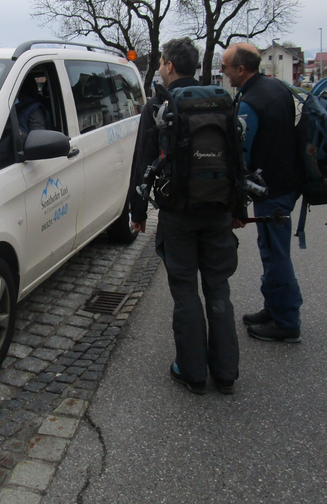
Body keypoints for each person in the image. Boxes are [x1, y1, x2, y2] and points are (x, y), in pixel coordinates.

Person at [129, 38, 240, 395]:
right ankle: (225, 373)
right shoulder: (221, 102)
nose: (160, 66)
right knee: (218, 288)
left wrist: (138, 213)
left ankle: (192, 372)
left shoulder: (160, 105)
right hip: (219, 210)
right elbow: (239, 161)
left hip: (178, 214)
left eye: (161, 61)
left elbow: (143, 163)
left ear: (169, 66)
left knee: (185, 291)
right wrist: (238, 209)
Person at [221, 42, 304, 343]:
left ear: (241, 69)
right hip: (287, 182)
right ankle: (275, 307)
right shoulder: (277, 88)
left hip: (272, 189)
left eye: (225, 66)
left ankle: (287, 322)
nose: (222, 71)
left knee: (275, 253)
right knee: (271, 250)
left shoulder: (250, 103)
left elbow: (240, 159)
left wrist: (234, 207)